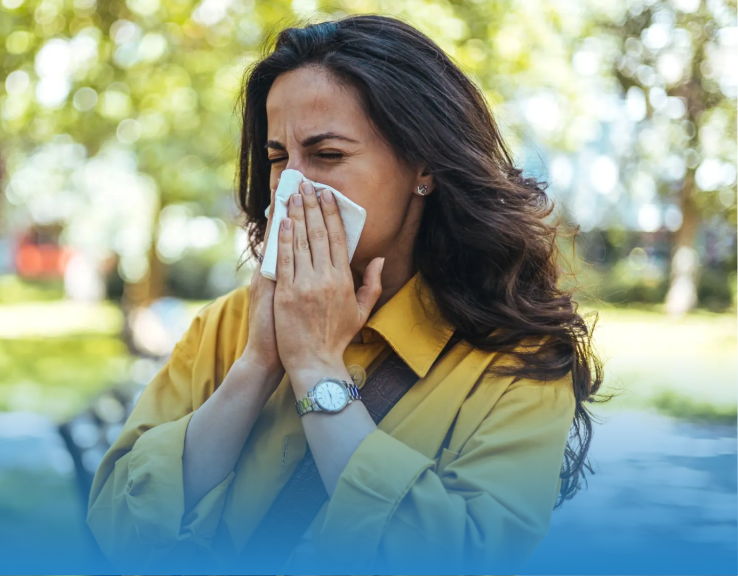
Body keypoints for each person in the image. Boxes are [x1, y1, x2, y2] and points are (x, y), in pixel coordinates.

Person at [86, 14, 603, 574]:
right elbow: (115, 526)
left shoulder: (517, 364)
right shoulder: (229, 325)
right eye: (279, 157)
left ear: (423, 165)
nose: (291, 185)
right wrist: (259, 363)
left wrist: (315, 368)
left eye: (327, 155)